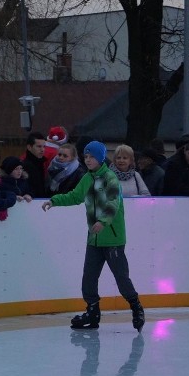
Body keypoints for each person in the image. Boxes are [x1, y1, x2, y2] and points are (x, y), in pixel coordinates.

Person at [41, 140, 145, 332]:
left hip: (112, 239)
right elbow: (75, 196)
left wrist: (103, 221)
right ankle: (92, 312)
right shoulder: (87, 179)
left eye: (92, 157)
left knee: (121, 278)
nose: (88, 160)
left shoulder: (110, 178)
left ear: (100, 158)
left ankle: (136, 307)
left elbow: (113, 203)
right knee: (88, 278)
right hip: (94, 239)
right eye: (86, 157)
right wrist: (54, 201)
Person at [21, 131, 47, 198]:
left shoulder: (41, 163)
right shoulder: (25, 166)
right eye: (39, 146)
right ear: (29, 147)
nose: (42, 150)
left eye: (44, 146)